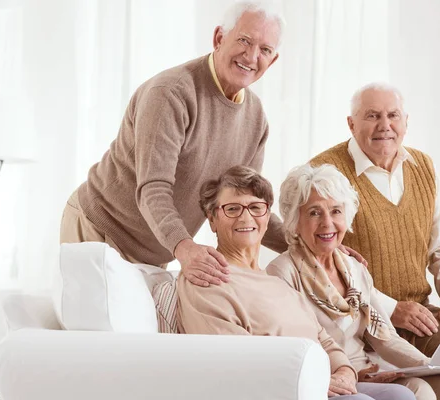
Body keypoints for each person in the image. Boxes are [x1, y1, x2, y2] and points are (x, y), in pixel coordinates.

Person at [60, 1, 287, 287]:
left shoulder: (255, 118)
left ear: (273, 60)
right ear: (219, 38)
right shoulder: (171, 94)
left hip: (158, 246)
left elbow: (249, 205)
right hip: (101, 230)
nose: (252, 56)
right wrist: (185, 248)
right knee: (99, 331)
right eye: (244, 40)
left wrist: (308, 246)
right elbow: (153, 188)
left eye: (265, 49)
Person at [309, 83, 440, 400]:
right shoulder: (324, 171)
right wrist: (392, 308)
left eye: (393, 115)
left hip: (422, 318)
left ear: (406, 121)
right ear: (351, 123)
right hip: (363, 324)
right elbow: (316, 262)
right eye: (372, 116)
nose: (384, 126)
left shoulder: (423, 167)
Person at [177, 165, 417, 400]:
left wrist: (345, 372)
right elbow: (237, 359)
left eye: (256, 207)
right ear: (212, 219)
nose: (246, 217)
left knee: (401, 395)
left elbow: (323, 339)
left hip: (316, 381)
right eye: (232, 209)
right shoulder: (205, 277)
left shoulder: (273, 282)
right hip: (282, 387)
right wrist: (311, 380)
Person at [267, 163, 440, 400]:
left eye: (336, 211)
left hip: (370, 371)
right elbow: (293, 347)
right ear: (294, 221)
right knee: (420, 392)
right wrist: (348, 374)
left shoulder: (354, 269)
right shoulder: (282, 272)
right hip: (330, 378)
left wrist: (436, 366)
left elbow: (385, 338)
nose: (327, 223)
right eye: (314, 213)